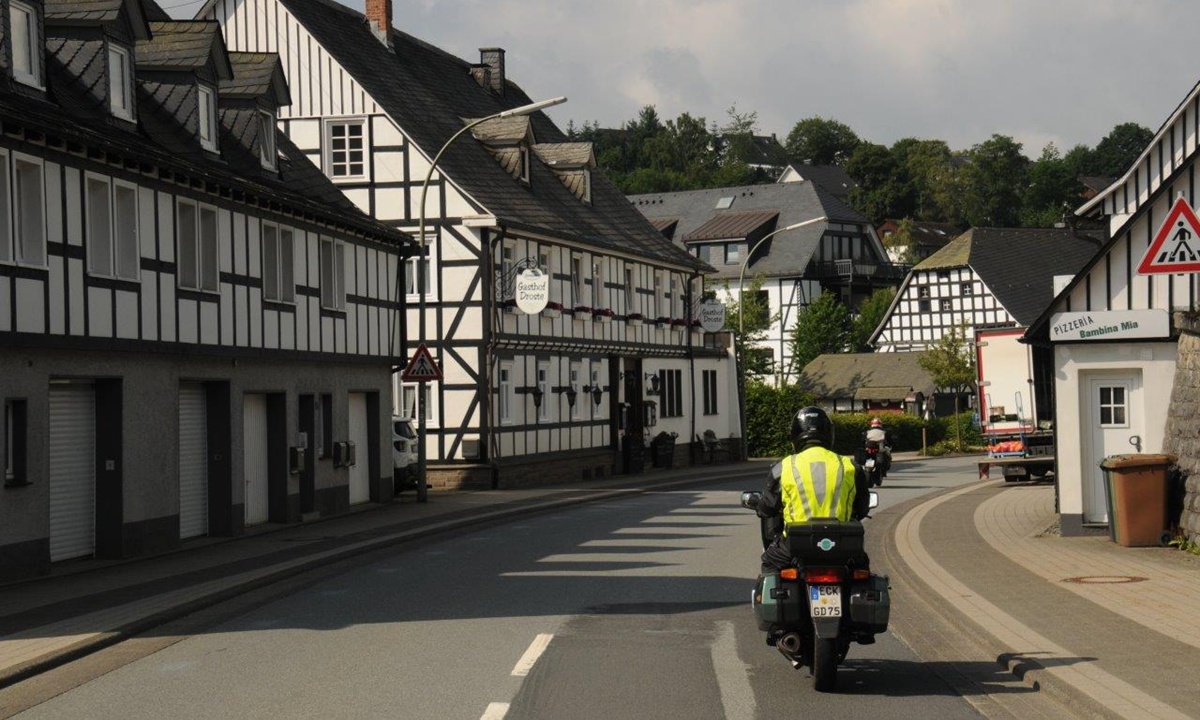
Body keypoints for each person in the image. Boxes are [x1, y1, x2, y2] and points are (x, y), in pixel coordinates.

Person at [757, 406, 870, 574]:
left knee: (769, 563)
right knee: (861, 569)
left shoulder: (783, 467)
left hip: (795, 545)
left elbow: (767, 507)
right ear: (829, 434)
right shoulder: (850, 466)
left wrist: (761, 506)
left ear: (795, 435)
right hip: (842, 544)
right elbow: (862, 509)